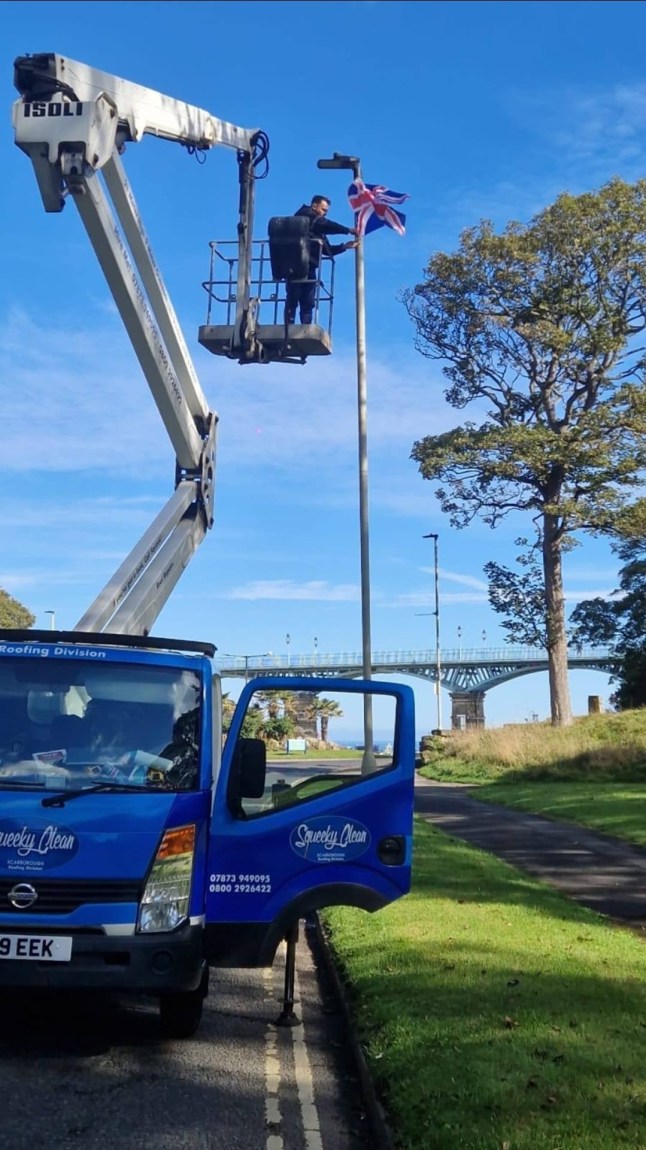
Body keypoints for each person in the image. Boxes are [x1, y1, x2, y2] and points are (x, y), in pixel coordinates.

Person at [285, 195, 358, 325]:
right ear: (314, 206)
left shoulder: (317, 229)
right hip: (296, 265)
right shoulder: (305, 215)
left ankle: (305, 326)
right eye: (323, 210)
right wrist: (347, 230)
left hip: (310, 266)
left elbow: (326, 249)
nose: (325, 213)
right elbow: (325, 224)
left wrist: (344, 247)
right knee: (293, 297)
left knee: (308, 301)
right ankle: (289, 325)